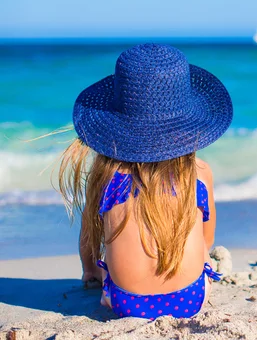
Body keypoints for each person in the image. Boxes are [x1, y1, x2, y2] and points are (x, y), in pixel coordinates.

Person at [57, 43, 233, 320]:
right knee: (204, 257)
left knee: (107, 263)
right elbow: (206, 240)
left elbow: (90, 236)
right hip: (190, 299)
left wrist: (90, 272)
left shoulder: (107, 178)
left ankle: (104, 285)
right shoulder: (198, 172)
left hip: (125, 303)